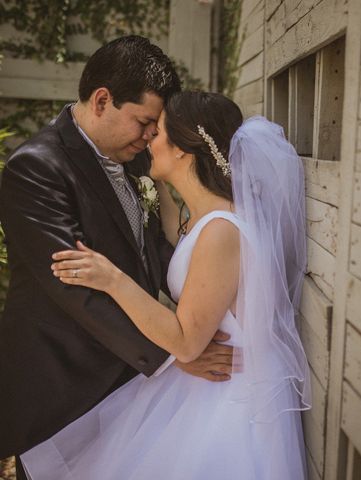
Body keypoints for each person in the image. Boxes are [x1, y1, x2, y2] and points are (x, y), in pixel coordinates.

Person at [20, 91, 311, 479]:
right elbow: (181, 236)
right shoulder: (205, 218)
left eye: (156, 134)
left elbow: (187, 341)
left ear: (182, 152)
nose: (147, 141)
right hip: (207, 386)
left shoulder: (222, 231)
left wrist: (112, 278)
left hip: (230, 400)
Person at [0, 37, 234, 478]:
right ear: (103, 100)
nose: (150, 136)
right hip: (63, 383)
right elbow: (75, 290)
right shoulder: (36, 168)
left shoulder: (131, 161)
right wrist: (174, 354)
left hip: (123, 385)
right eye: (144, 121)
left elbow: (153, 256)